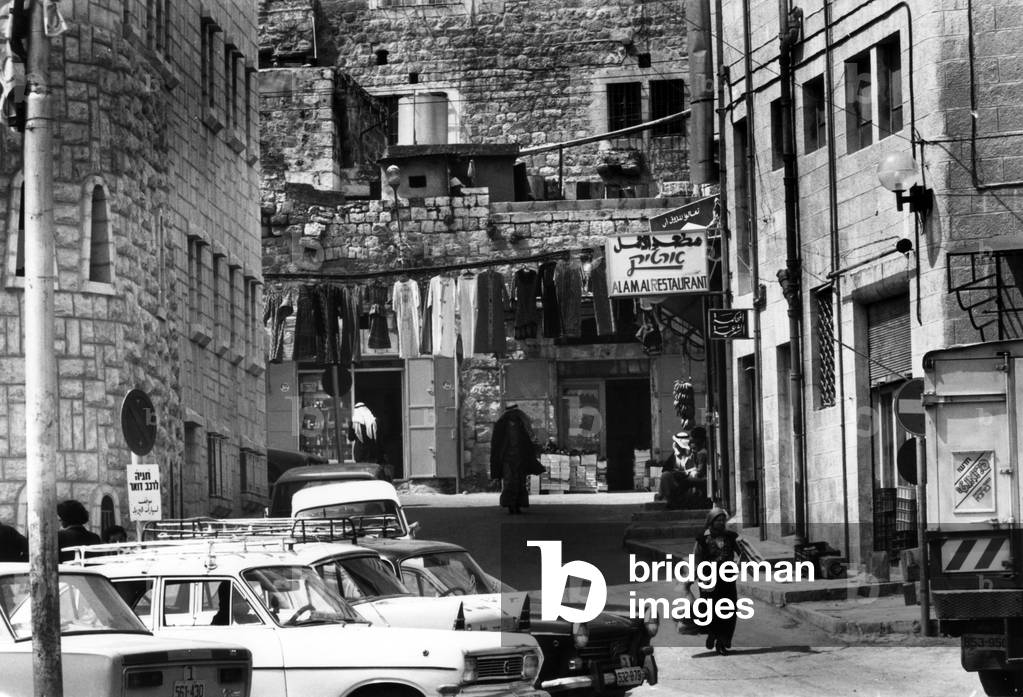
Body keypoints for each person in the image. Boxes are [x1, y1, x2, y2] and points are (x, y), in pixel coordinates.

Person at [685, 507, 742, 655]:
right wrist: (692, 577)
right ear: (711, 521)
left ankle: (722, 641)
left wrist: (739, 563)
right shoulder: (702, 539)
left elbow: (741, 553)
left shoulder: (731, 537)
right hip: (708, 578)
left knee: (728, 610)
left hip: (727, 578)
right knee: (710, 610)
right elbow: (696, 558)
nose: (721, 522)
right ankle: (713, 633)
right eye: (718, 519)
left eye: (723, 519)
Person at [490, 403, 537, 515]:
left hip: (514, 458)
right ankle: (513, 505)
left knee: (515, 481)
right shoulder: (518, 423)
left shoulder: (510, 424)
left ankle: (514, 505)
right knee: (514, 481)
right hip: (512, 458)